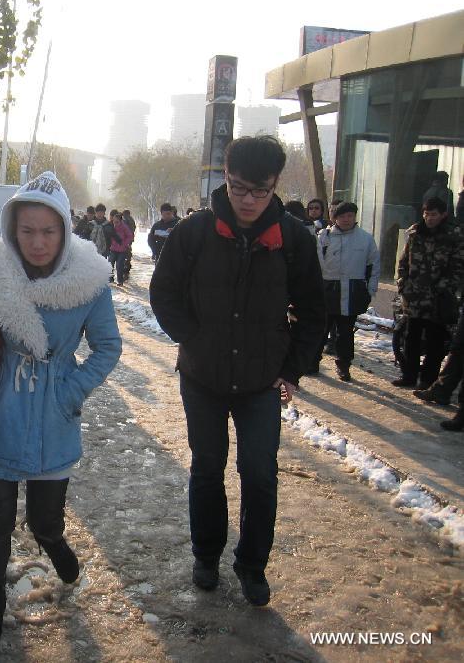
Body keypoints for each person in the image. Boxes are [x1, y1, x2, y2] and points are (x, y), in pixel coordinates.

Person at [149, 135, 325, 607]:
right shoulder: (196, 232)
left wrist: (292, 370)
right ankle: (206, 555)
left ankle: (251, 566)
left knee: (260, 473)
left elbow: (314, 312)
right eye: (238, 187)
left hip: (261, 382)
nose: (247, 200)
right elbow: (163, 291)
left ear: (275, 186)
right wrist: (192, 335)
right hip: (202, 377)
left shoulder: (293, 239)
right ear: (224, 178)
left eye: (260, 190)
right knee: (207, 467)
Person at [0, 171, 121, 649]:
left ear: (65, 231)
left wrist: (68, 392)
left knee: (43, 519)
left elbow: (107, 347)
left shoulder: (89, 280)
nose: (37, 242)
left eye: (47, 231)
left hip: (55, 412)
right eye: (27, 230)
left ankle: (55, 544)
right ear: (13, 229)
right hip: (1, 407)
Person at [393, 197, 464, 388]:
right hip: (414, 296)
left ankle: (428, 380)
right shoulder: (416, 232)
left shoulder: (454, 235)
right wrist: (403, 284)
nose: (429, 218)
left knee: (435, 341)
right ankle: (409, 375)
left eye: (433, 214)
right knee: (411, 339)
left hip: (438, 299)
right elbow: (403, 261)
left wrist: (444, 288)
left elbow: (458, 267)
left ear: (443, 215)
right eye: (426, 214)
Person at [315, 202, 379, 381]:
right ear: (335, 218)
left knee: (345, 332)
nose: (346, 219)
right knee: (321, 329)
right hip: (328, 289)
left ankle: (344, 365)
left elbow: (373, 265)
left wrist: (370, 290)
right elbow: (315, 264)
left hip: (353, 291)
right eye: (342, 216)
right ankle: (312, 361)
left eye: (350, 215)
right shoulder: (324, 237)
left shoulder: (365, 239)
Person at [108, 211, 134, 286]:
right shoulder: (111, 226)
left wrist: (124, 243)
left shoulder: (124, 227)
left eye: (117, 222)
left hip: (122, 250)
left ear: (120, 221)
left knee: (119, 265)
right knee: (110, 263)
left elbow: (130, 236)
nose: (115, 224)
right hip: (113, 249)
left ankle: (120, 280)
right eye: (114, 222)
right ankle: (110, 278)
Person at [121, 209, 136, 280]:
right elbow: (134, 228)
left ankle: (125, 271)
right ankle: (127, 269)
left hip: (125, 240)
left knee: (125, 254)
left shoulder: (124, 220)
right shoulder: (132, 219)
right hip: (129, 240)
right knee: (128, 253)